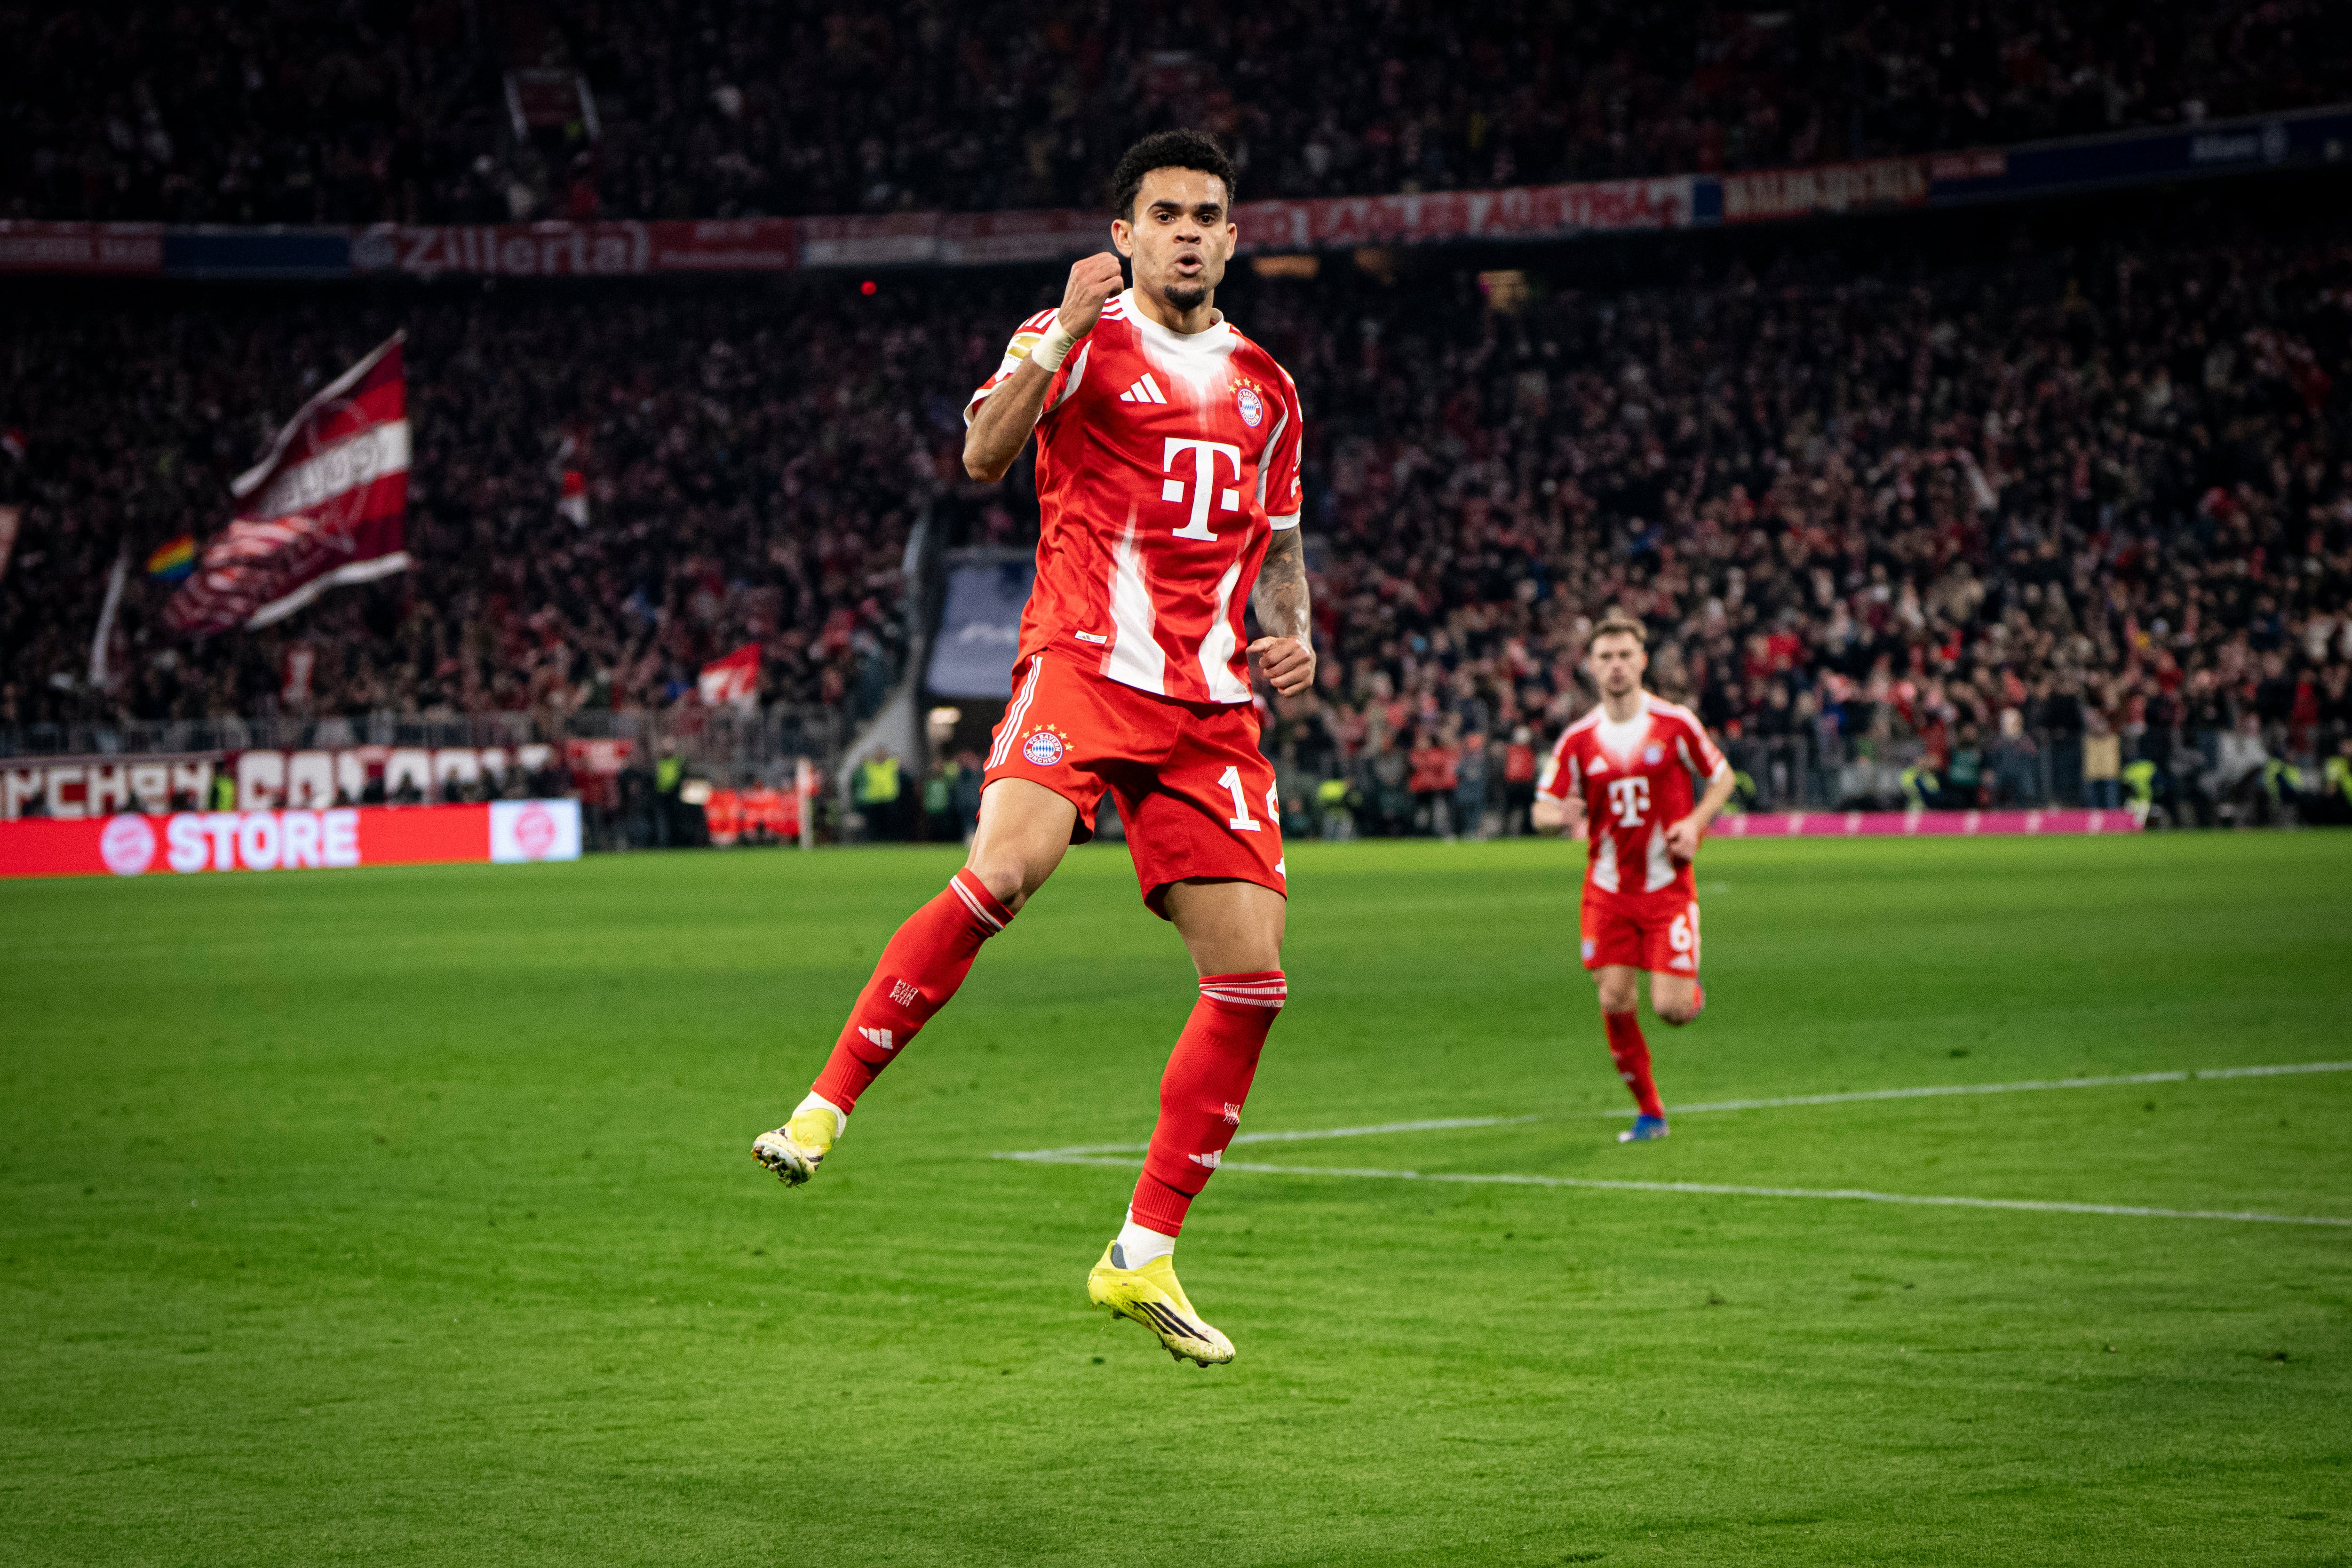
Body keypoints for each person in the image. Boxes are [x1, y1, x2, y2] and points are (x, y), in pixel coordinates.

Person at [750, 130, 1310, 1368]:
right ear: (1122, 233)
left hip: (1211, 708)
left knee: (1251, 979)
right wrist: (1059, 333)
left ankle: (1142, 1251)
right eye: (1163, 213)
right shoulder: (1071, 339)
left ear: (1231, 238)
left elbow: (1278, 545)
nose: (1185, 232)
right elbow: (983, 454)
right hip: (1086, 664)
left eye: (1205, 215)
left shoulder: (1269, 386)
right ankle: (826, 1103)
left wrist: (1296, 635)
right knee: (1008, 867)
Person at [1531, 614, 1737, 1144]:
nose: (1616, 666)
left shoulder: (1675, 723)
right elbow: (1541, 808)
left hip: (1667, 889)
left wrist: (1695, 823)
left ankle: (1688, 993)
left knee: (1671, 1009)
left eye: (1625, 655)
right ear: (1591, 666)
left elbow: (1721, 777)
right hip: (1607, 891)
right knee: (1614, 999)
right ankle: (1651, 1113)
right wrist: (1560, 815)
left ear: (1642, 661)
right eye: (1606, 657)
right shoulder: (1579, 739)